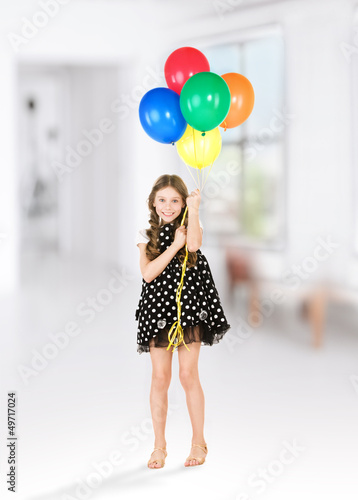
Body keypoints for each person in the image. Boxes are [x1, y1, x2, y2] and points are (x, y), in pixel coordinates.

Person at [135, 174, 231, 469]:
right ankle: (159, 446)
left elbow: (193, 246)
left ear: (183, 203)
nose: (168, 206)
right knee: (160, 378)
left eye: (175, 200)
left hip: (188, 312)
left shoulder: (191, 228)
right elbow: (148, 274)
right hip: (158, 312)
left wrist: (196, 209)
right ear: (153, 202)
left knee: (188, 375)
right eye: (162, 200)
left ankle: (199, 442)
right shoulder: (145, 238)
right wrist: (172, 246)